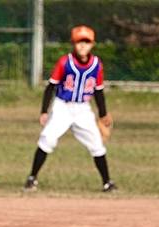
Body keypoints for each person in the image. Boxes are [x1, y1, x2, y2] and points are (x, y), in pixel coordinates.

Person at [24, 25, 116, 192]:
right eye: (79, 41)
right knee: (47, 139)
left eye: (86, 41)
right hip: (62, 107)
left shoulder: (96, 64)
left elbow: (98, 91)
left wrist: (103, 114)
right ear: (73, 43)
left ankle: (107, 182)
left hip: (83, 109)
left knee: (97, 144)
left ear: (92, 44)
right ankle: (32, 178)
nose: (82, 45)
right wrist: (44, 111)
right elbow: (50, 87)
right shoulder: (65, 62)